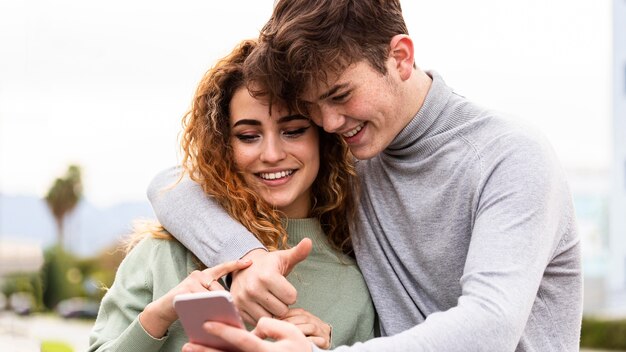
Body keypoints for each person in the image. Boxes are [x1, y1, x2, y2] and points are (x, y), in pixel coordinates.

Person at [148, 1, 583, 351]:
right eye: (312, 106)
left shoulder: (508, 156)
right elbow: (170, 185)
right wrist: (249, 259)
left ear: (400, 57)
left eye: (341, 95)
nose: (330, 122)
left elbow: (490, 327)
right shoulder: (353, 152)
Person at [88, 39, 376, 352]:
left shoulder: (354, 288)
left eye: (293, 131)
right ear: (224, 146)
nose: (271, 153)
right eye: (248, 136)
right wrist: (159, 316)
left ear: (323, 139)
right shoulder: (164, 253)